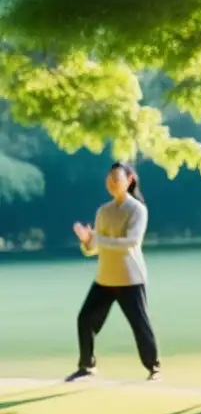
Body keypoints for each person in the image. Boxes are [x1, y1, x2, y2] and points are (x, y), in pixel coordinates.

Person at [67, 162, 161, 382]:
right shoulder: (103, 211)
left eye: (116, 178)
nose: (111, 182)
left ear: (129, 181)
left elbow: (131, 241)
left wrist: (98, 239)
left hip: (130, 277)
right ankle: (86, 366)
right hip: (105, 277)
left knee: (140, 324)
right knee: (85, 319)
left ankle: (154, 367)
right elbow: (96, 248)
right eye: (109, 178)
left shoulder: (137, 209)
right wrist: (87, 242)